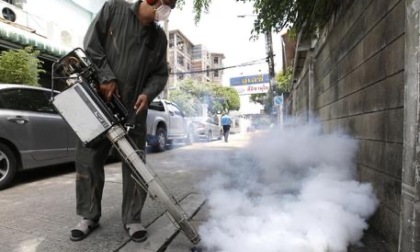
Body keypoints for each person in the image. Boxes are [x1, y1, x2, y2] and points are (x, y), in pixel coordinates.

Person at [69, 0, 177, 243]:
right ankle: (88, 216)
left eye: (171, 7)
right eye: (166, 4)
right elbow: (92, 45)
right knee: (88, 159)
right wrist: (106, 76)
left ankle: (132, 219)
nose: (167, 11)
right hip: (98, 100)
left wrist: (148, 93)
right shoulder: (113, 8)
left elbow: (160, 73)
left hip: (133, 111)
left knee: (135, 164)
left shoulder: (159, 38)